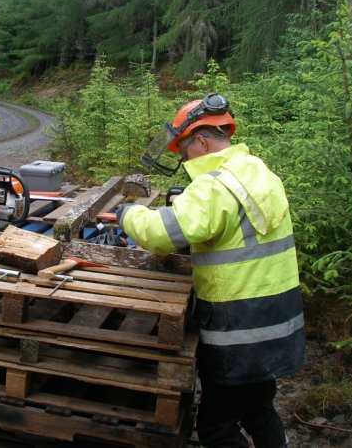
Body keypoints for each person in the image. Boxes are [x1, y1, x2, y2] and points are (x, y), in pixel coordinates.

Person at [117, 93, 306, 448]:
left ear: (201, 141)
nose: (184, 157)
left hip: (240, 329)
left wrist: (129, 215)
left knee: (217, 427)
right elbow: (241, 233)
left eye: (185, 148)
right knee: (258, 409)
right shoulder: (258, 171)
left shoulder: (214, 185)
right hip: (276, 321)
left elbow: (161, 235)